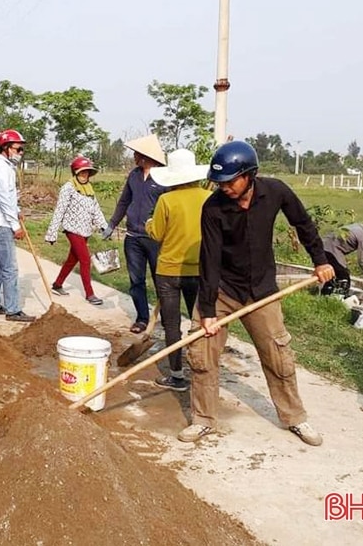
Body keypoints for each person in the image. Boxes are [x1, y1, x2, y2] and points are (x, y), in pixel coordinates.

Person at [179, 140, 335, 446]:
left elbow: (303, 224)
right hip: (223, 289)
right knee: (202, 353)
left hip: (262, 290)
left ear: (250, 174)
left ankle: (295, 418)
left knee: (278, 355)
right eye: (219, 182)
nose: (224, 187)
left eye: (230, 181)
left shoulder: (275, 191)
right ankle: (203, 419)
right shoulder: (212, 207)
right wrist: (208, 312)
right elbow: (208, 259)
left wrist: (320, 260)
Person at [145, 149, 213, 392]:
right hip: (200, 271)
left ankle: (176, 375)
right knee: (202, 321)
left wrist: (149, 224)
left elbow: (157, 234)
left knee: (171, 324)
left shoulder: (166, 200)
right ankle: (204, 372)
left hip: (169, 271)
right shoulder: (209, 198)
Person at [103, 134, 168, 333]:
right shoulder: (134, 175)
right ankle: (141, 318)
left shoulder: (165, 178)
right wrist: (112, 224)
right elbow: (124, 201)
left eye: (136, 153)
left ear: (146, 155)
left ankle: (167, 319)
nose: (133, 156)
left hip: (156, 238)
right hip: (133, 238)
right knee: (136, 280)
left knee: (162, 281)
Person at [0, 129, 35, 322]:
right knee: (10, 269)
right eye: (18, 149)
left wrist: (18, 209)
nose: (20, 153)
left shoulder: (2, 167)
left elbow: (8, 197)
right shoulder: (1, 168)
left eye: (22, 150)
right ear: (5, 148)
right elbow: (4, 199)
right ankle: (13, 310)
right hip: (1, 225)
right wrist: (15, 225)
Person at [44, 156, 110, 305]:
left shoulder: (89, 189)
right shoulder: (68, 188)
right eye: (81, 172)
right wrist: (52, 233)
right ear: (75, 172)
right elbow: (59, 211)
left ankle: (57, 284)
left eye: (87, 173)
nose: (84, 175)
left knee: (72, 260)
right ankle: (90, 294)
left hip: (86, 230)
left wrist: (104, 226)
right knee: (85, 260)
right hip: (72, 230)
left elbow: (96, 210)